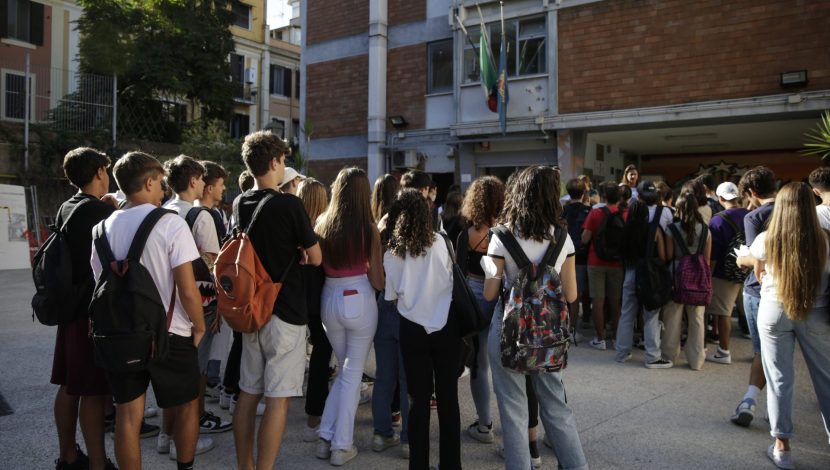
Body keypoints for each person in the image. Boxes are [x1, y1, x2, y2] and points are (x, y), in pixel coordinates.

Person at [91, 151, 206, 470]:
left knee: (128, 415)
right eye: (160, 183)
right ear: (150, 181)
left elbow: (100, 282)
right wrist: (199, 326)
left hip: (120, 333)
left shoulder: (101, 229)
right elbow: (187, 288)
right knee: (186, 406)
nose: (163, 190)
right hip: (171, 332)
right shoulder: (171, 224)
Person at [482, 166, 587, 470]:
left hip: (507, 330)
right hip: (548, 334)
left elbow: (489, 294)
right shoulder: (563, 238)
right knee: (557, 407)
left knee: (513, 409)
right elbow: (570, 295)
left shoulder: (500, 236)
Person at [231, 131, 322, 470]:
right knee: (277, 400)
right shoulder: (289, 204)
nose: (285, 166)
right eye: (283, 160)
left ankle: (246, 465)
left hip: (251, 307)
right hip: (285, 312)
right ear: (273, 162)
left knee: (247, 392)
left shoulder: (240, 202)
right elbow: (315, 257)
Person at [748, 182, 830, 469]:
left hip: (774, 309)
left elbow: (758, 271)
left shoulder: (766, 238)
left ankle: (782, 447)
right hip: (816, 311)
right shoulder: (824, 240)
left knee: (779, 379)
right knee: (827, 379)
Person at [51, 148, 117, 470]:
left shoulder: (68, 205)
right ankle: (99, 464)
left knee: (69, 385)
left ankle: (68, 454)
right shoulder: (96, 213)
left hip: (68, 307)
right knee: (91, 390)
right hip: (89, 312)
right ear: (99, 172)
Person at [383, 188, 458, 470]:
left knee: (418, 400)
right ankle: (451, 465)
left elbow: (390, 297)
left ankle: (419, 464)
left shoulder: (393, 252)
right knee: (449, 398)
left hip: (412, 328)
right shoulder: (441, 242)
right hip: (445, 324)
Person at [314, 168, 385, 466]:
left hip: (328, 298)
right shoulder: (368, 228)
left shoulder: (322, 222)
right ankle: (341, 444)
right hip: (358, 296)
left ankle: (326, 436)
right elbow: (379, 279)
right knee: (352, 373)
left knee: (346, 373)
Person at [161, 156, 230, 455]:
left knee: (170, 373)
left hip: (166, 302)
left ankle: (166, 435)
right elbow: (213, 264)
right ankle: (186, 436)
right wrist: (217, 306)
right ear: (192, 181)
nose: (204, 184)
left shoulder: (162, 211)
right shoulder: (199, 216)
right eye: (202, 179)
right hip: (198, 304)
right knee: (195, 372)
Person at [457, 176, 505, 445]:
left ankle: (485, 424)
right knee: (502, 364)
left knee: (479, 363)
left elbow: (459, 269)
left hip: (474, 295)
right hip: (501, 296)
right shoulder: (506, 233)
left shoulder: (468, 233)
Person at [730, 166, 777, 426]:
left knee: (762, 351)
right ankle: (775, 406)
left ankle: (749, 401)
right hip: (792, 291)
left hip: (759, 290)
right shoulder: (796, 212)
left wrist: (740, 259)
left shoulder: (755, 217)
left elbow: (755, 258)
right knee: (782, 352)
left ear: (750, 192)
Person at [371, 173, 410, 459]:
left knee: (384, 377)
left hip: (383, 306)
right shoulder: (416, 238)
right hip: (407, 309)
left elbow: (373, 274)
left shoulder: (378, 231)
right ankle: (409, 439)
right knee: (408, 379)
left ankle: (381, 433)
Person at [297, 178, 333, 443]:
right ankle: (314, 416)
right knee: (322, 354)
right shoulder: (324, 231)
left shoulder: (291, 228)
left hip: (293, 301)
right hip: (320, 300)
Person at [616, 196, 670, 368]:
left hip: (630, 273)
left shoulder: (625, 230)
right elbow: (663, 256)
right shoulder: (654, 230)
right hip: (648, 275)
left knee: (626, 314)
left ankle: (622, 352)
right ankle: (652, 356)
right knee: (651, 314)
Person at [661, 193, 711, 370]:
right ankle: (696, 360)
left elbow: (668, 255)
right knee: (697, 319)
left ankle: (669, 356)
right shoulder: (706, 230)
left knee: (672, 317)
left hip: (676, 275)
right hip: (698, 277)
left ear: (679, 209)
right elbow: (706, 258)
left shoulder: (671, 229)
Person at [704, 182, 749, 365]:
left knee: (724, 313)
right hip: (749, 270)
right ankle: (760, 352)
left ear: (721, 198)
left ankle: (724, 351)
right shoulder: (749, 215)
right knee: (750, 312)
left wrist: (709, 274)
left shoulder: (717, 220)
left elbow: (713, 253)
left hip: (724, 273)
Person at [582, 181, 626, 350]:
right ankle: (616, 338)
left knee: (598, 301)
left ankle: (600, 338)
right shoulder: (625, 214)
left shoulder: (595, 213)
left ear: (603, 197)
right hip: (617, 262)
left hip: (596, 261)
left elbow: (585, 238)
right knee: (616, 302)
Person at [562, 178, 592, 333]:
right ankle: (572, 328)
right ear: (583, 192)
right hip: (581, 256)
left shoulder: (562, 211)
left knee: (563, 292)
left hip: (562, 255)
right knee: (577, 292)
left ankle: (563, 324)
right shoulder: (588, 211)